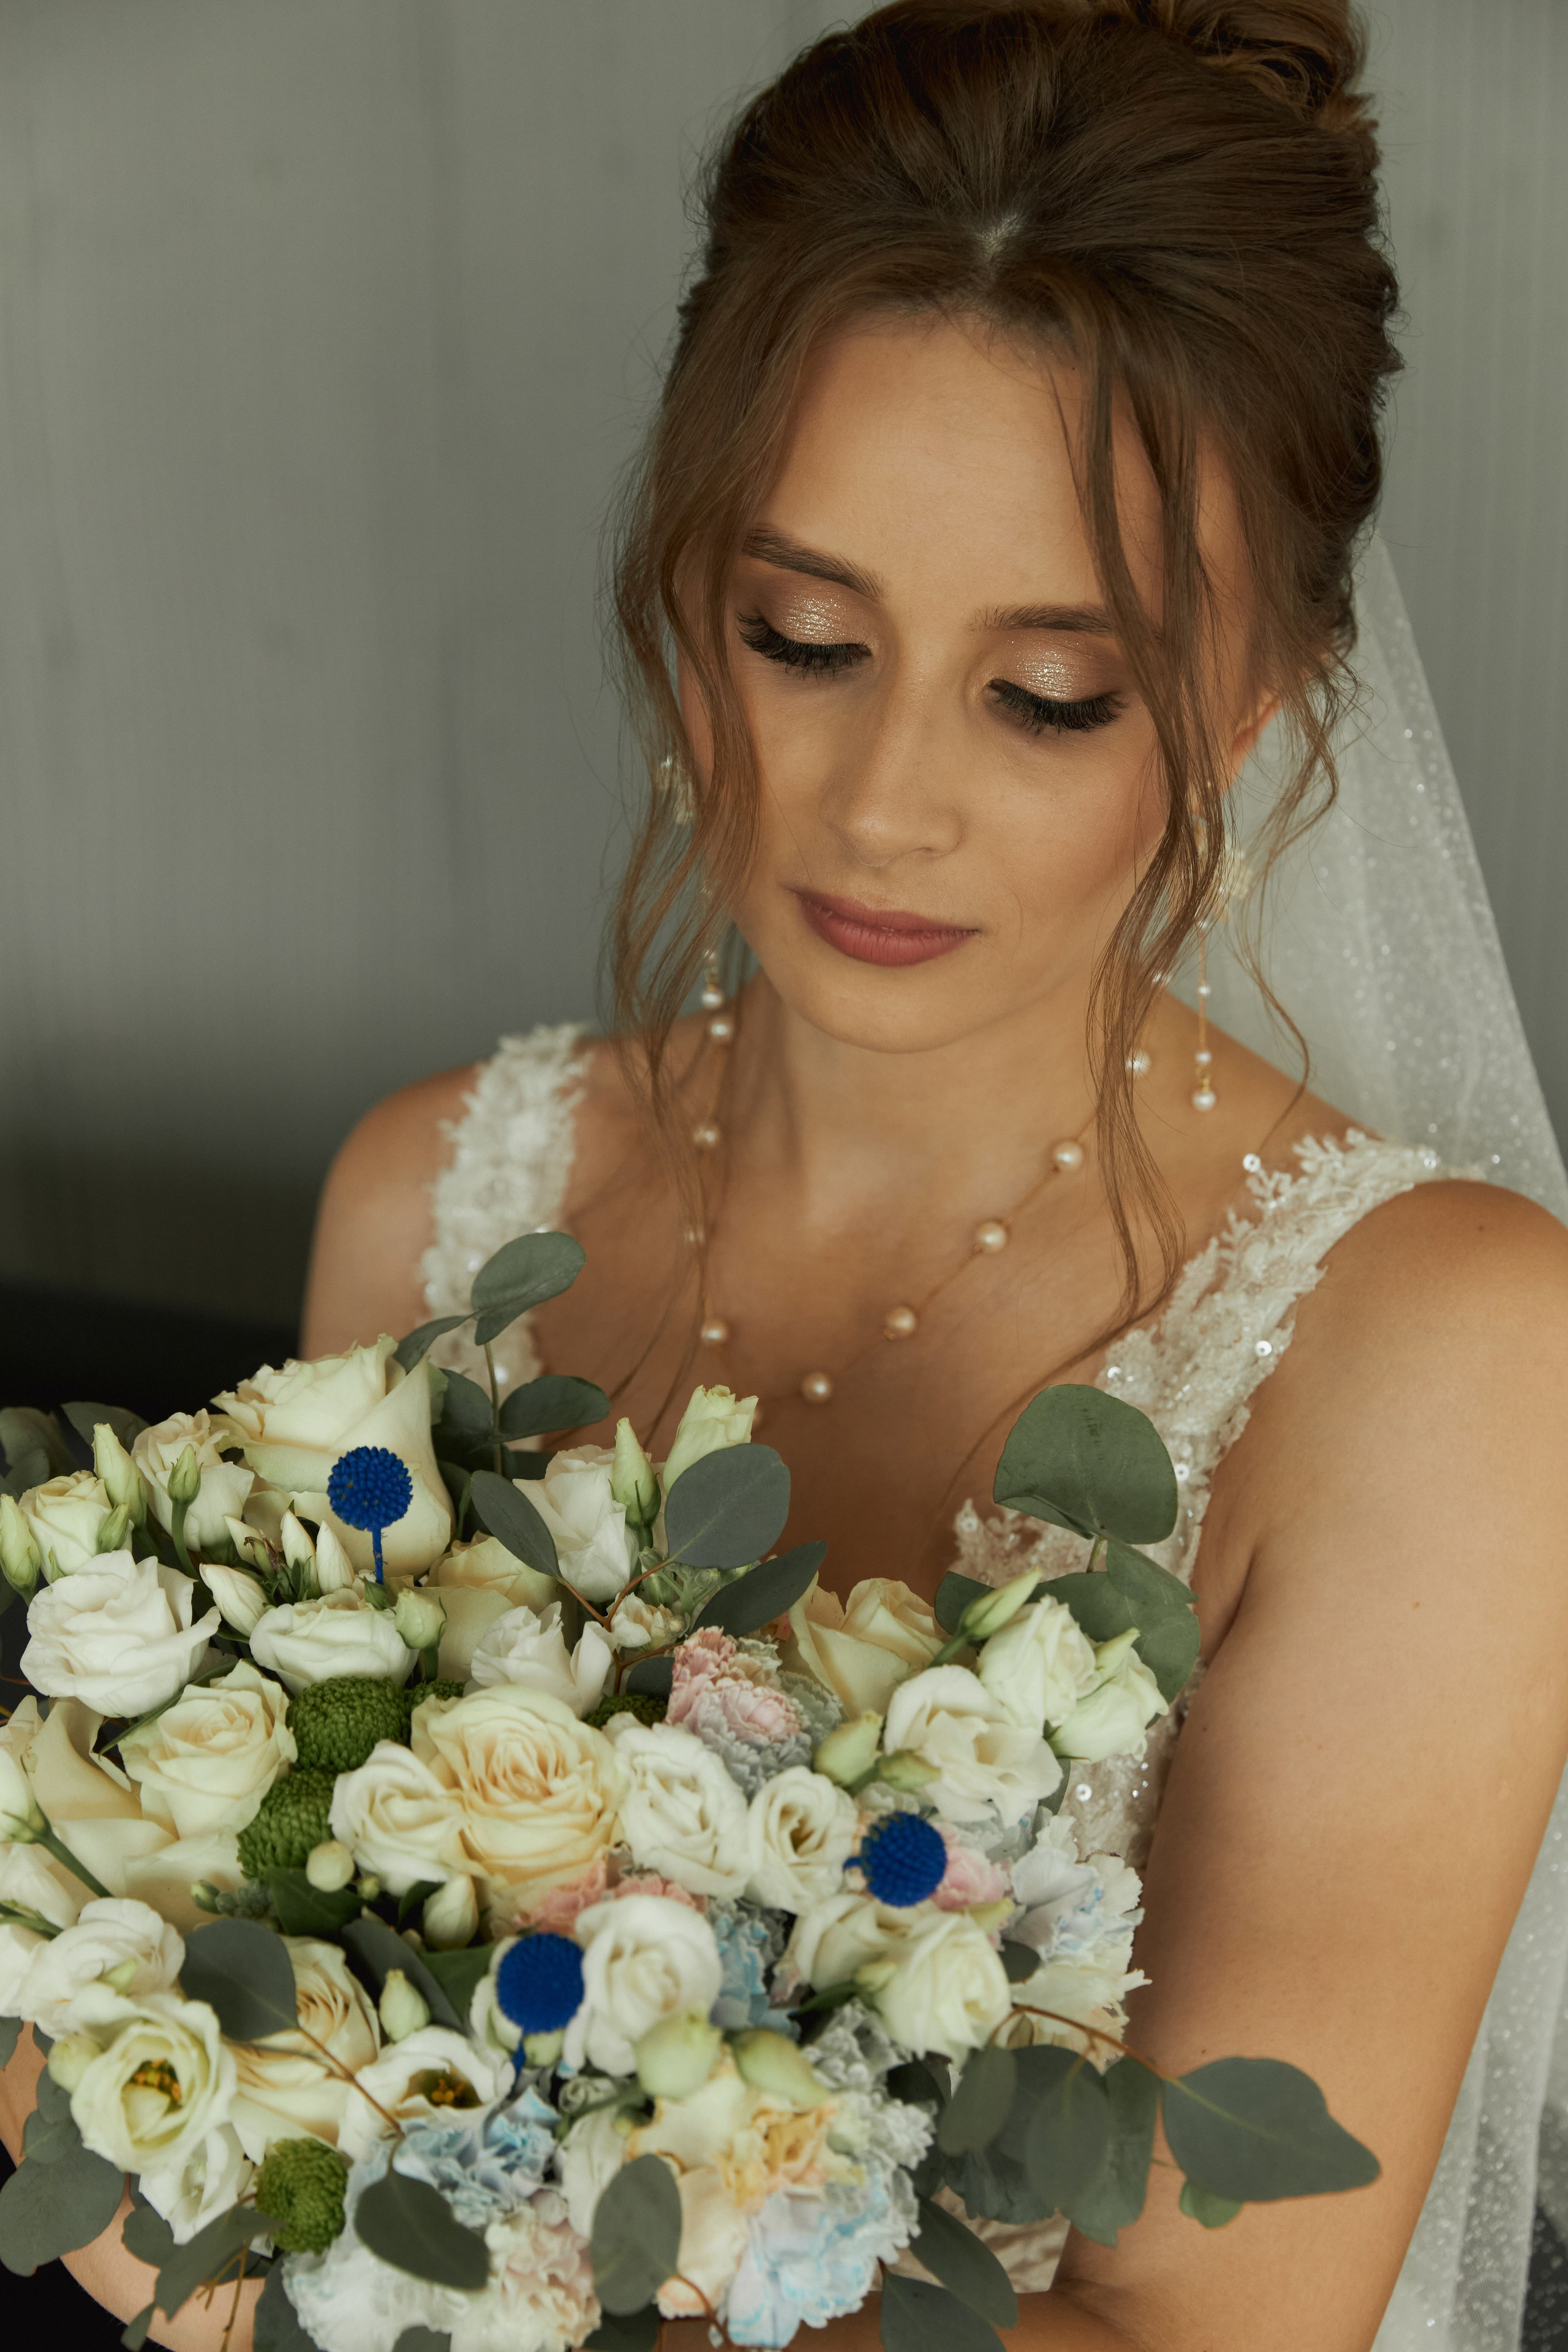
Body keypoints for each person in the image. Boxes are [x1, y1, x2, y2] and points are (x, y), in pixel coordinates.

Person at [303, 6, 1568, 2348]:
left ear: (1270, 698)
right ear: (689, 595)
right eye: (807, 637)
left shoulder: (1449, 1358)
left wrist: (379, 2268)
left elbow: (1216, 2332)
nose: (882, 801)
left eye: (1051, 693)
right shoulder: (426, 1208)